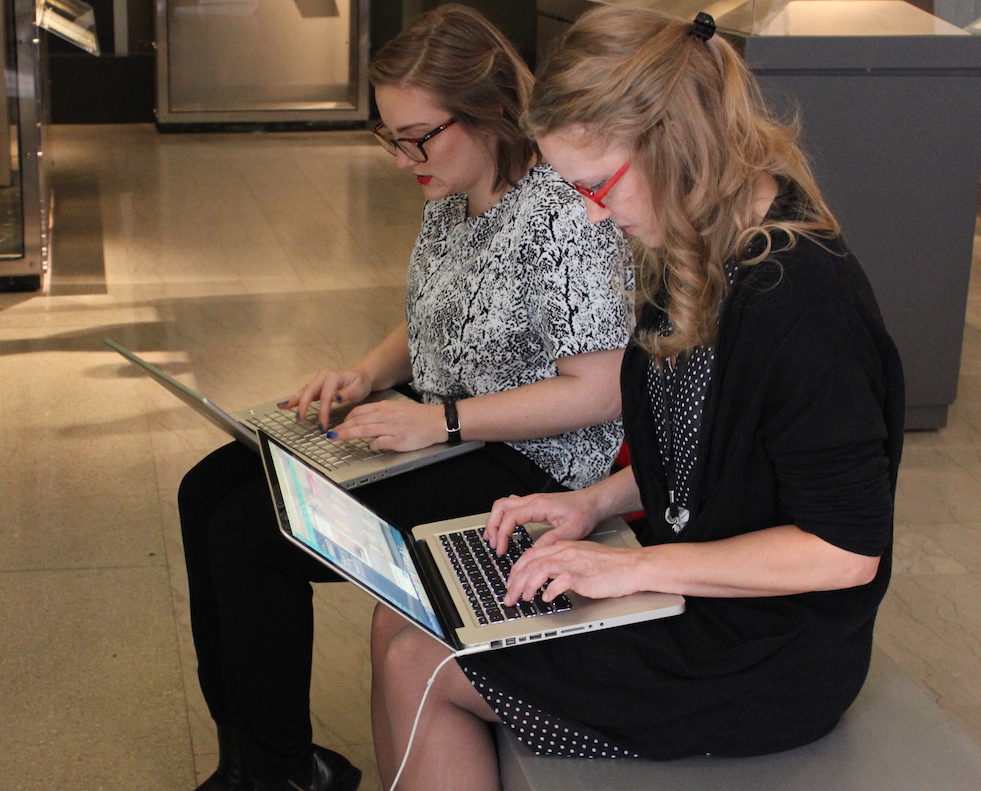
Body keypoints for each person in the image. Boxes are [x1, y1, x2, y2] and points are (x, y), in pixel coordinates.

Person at [369, 7, 905, 790]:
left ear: (670, 141)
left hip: (766, 649)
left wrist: (632, 571)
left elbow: (846, 551)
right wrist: (592, 503)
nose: (591, 211)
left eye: (596, 185)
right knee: (407, 609)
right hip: (696, 582)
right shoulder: (689, 245)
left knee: (426, 656)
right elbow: (698, 451)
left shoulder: (801, 299)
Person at [177, 5, 633, 791]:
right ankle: (253, 754)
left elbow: (597, 391)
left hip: (524, 465)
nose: (401, 159)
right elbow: (435, 308)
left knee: (253, 531)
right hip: (445, 424)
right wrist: (364, 374)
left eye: (416, 136)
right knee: (204, 489)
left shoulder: (566, 213)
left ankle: (282, 772)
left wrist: (439, 419)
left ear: (489, 110)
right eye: (391, 137)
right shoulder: (453, 190)